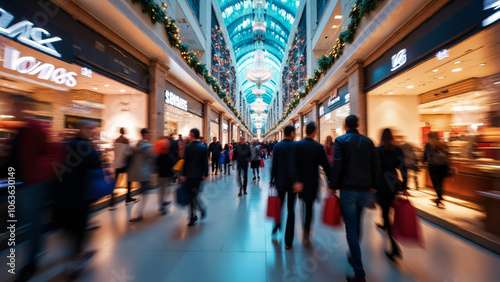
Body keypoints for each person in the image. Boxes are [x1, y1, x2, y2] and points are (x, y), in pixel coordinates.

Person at [9, 96, 59, 281]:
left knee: (31, 223)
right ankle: (35, 254)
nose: (14, 108)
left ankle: (31, 261)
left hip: (34, 184)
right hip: (22, 183)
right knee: (28, 221)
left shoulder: (34, 127)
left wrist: (40, 175)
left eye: (17, 105)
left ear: (25, 106)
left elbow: (48, 153)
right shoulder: (20, 128)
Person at [329, 115, 380, 282]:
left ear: (345, 126)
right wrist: (374, 184)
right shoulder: (368, 142)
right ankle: (353, 253)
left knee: (351, 227)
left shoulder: (341, 141)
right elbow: (375, 165)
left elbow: (338, 164)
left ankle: (360, 274)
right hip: (364, 190)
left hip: (348, 189)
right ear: (357, 124)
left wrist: (333, 185)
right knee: (357, 223)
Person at [53, 120, 102, 279]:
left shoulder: (65, 145)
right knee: (78, 228)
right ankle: (72, 265)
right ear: (81, 129)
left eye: (93, 129)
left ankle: (77, 254)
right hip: (79, 195)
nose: (93, 131)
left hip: (62, 194)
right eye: (90, 129)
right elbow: (97, 170)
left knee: (70, 229)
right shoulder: (87, 148)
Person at [292, 122, 331, 249]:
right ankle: (306, 230)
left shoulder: (298, 145)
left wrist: (296, 180)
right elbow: (326, 167)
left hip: (300, 182)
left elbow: (294, 165)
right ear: (314, 132)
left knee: (303, 204)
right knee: (309, 206)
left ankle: (304, 227)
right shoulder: (319, 147)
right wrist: (332, 183)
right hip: (312, 182)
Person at [375, 128, 407, 261]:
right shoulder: (398, 150)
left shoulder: (378, 150)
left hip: (382, 183)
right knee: (387, 209)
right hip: (393, 182)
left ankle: (394, 247)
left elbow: (375, 169)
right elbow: (403, 169)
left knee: (385, 210)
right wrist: (405, 186)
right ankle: (385, 223)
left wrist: (372, 185)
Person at [270, 125, 297, 238]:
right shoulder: (296, 146)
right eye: (294, 133)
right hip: (293, 183)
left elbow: (274, 165)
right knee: (291, 210)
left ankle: (277, 224)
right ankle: (288, 239)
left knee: (279, 206)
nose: (295, 135)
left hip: (280, 181)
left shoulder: (277, 146)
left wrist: (272, 180)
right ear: (291, 133)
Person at [182, 128, 209, 226]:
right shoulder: (202, 147)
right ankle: (195, 214)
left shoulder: (187, 147)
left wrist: (184, 174)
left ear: (192, 134)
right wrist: (206, 174)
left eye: (189, 134)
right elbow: (205, 162)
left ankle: (193, 215)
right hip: (198, 176)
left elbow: (186, 162)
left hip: (189, 175)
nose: (189, 136)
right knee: (194, 195)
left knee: (191, 196)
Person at [128, 129, 155, 222]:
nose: (150, 134)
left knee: (144, 192)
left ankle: (138, 213)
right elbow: (151, 157)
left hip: (138, 171)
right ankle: (138, 214)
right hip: (144, 171)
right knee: (145, 193)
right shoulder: (147, 146)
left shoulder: (137, 145)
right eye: (149, 133)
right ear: (145, 134)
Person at [109, 128, 137, 210]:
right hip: (125, 164)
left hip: (117, 164)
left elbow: (114, 151)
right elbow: (128, 153)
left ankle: (112, 202)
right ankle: (128, 198)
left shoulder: (116, 141)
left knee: (114, 184)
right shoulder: (126, 141)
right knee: (129, 181)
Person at [422, 131, 449, 208]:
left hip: (433, 166)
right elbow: (447, 155)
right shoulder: (443, 144)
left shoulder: (429, 144)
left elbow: (425, 155)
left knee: (436, 183)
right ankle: (439, 198)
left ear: (430, 137)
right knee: (440, 183)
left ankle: (439, 198)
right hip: (443, 166)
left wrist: (423, 162)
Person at [156, 137, 174, 214]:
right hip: (164, 175)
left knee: (164, 190)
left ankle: (163, 202)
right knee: (163, 190)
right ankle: (162, 206)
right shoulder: (168, 156)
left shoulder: (161, 156)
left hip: (163, 175)